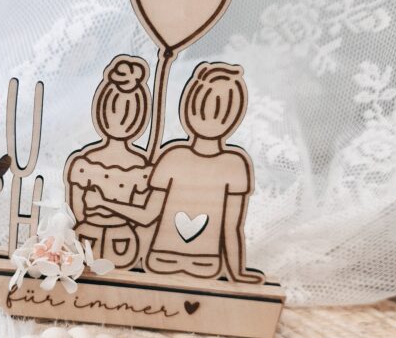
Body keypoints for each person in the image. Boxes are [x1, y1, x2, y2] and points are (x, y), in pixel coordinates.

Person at [85, 62, 264, 283]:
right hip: (174, 262)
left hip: (195, 264)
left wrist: (103, 202)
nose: (209, 118)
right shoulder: (175, 157)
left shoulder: (228, 164)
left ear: (234, 118)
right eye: (201, 108)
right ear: (189, 107)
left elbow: (232, 227)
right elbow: (149, 216)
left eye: (221, 112)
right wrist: (103, 203)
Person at [64, 55, 152, 269]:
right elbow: (75, 214)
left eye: (131, 112)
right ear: (100, 110)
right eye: (113, 109)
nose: (121, 119)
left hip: (123, 241)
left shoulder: (142, 168)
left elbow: (145, 216)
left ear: (141, 117)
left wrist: (103, 203)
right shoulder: (84, 164)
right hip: (87, 239)